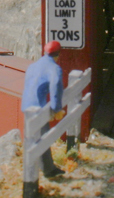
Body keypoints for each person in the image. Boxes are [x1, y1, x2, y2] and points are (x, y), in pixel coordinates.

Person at [21, 40, 66, 178]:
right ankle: (46, 171)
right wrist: (56, 107)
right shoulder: (54, 68)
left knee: (31, 138)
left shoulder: (33, 66)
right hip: (38, 108)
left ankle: (43, 168)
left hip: (27, 105)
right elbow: (56, 85)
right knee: (43, 139)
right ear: (58, 54)